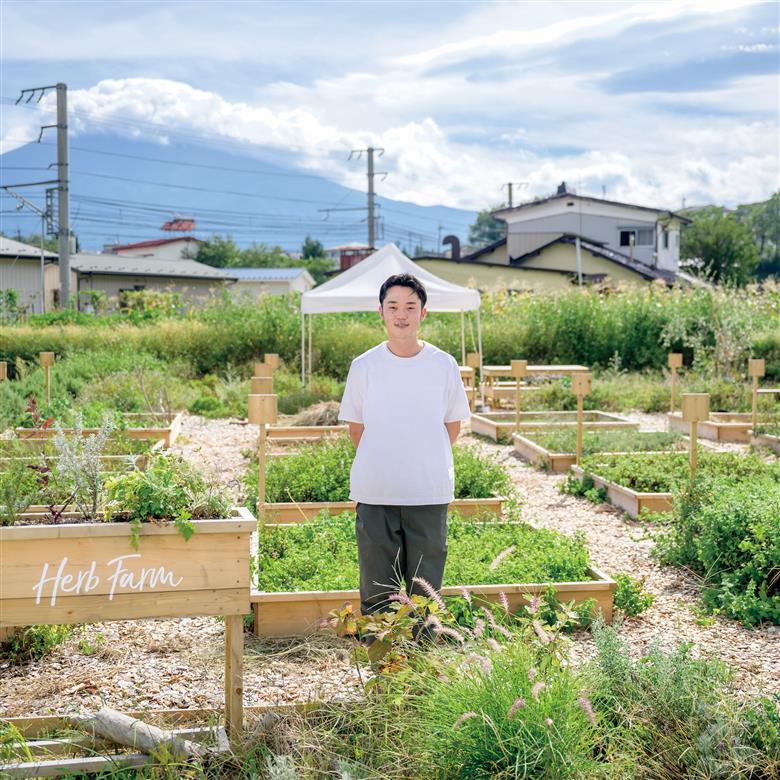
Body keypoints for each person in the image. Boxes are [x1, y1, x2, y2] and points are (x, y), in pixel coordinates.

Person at [338, 273, 471, 619]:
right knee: (376, 590)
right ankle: (382, 664)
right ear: (380, 312)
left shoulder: (443, 364)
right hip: (375, 492)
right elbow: (357, 429)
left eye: (410, 306)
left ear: (423, 313)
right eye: (393, 306)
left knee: (426, 594)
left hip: (427, 492)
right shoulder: (364, 366)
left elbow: (451, 426)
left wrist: (421, 458)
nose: (402, 314)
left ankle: (419, 664)